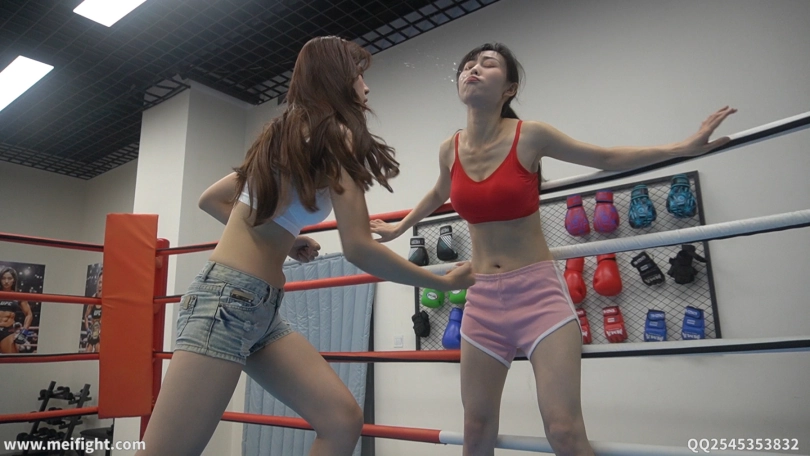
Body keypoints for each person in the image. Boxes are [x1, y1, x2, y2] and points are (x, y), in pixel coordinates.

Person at [370, 43, 736, 456]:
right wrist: (400, 227)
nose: (473, 69)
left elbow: (604, 156)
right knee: (475, 428)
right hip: (482, 298)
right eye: (468, 65)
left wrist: (681, 148)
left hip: (538, 295)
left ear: (509, 89)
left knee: (563, 430)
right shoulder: (448, 149)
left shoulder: (530, 135)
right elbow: (440, 191)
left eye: (487, 64)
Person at [136, 36, 474, 456]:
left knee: (341, 421)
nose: (366, 86)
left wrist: (289, 240)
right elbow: (359, 248)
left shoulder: (284, 134)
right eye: (359, 75)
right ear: (337, 79)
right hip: (228, 303)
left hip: (257, 309)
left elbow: (212, 199)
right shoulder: (335, 136)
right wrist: (440, 281)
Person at [0, 266, 33, 354]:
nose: (6, 281)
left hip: (7, 332)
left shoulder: (18, 295)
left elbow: (29, 314)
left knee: (11, 360)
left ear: (13, 280)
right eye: (3, 278)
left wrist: (24, 332)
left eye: (9, 278)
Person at [83, 271, 103, 353]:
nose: (100, 285)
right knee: (87, 352)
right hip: (93, 331)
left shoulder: (107, 301)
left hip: (101, 333)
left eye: (103, 283)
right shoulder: (93, 299)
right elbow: (86, 316)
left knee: (98, 351)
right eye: (100, 282)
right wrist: (88, 330)